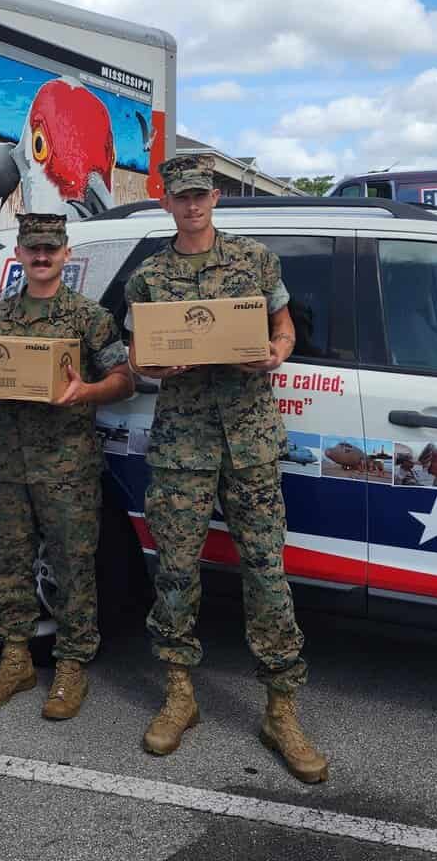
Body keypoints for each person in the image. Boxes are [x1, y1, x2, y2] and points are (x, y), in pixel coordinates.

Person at [124, 154, 328, 784]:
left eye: (200, 195)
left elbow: (285, 328)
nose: (192, 206)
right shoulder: (150, 274)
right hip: (183, 444)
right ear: (166, 201)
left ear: (215, 197)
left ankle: (281, 709)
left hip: (250, 441)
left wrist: (273, 354)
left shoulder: (255, 260)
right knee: (178, 572)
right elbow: (137, 356)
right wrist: (156, 367)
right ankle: (181, 692)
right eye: (180, 197)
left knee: (267, 574)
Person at [0, 213, 133, 720]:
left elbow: (125, 379)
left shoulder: (90, 318)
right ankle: (16, 658)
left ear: (67, 255)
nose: (42, 257)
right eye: (33, 249)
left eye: (51, 249)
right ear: (19, 254)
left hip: (66, 461)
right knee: (6, 559)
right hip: (8, 458)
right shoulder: (0, 317)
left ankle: (71, 665)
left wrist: (87, 390)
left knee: (72, 564)